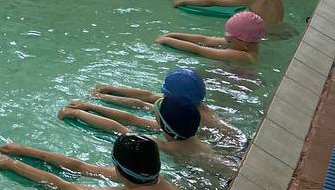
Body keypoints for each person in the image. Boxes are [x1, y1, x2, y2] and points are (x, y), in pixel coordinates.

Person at [0, 136, 193, 190]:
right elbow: (80, 167)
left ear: (119, 168)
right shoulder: (149, 177)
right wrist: (24, 150)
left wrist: (11, 164)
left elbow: (63, 185)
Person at [57, 94, 213, 163]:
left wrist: (77, 113)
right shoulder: (187, 131)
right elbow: (131, 119)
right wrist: (91, 105)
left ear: (164, 125)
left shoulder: (168, 147)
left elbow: (120, 129)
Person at [90, 67, 226, 130]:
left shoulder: (189, 120)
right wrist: (111, 89)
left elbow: (134, 120)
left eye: (165, 94)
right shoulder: (193, 102)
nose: (162, 96)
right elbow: (149, 96)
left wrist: (99, 100)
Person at [155, 10, 266, 65]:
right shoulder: (243, 43)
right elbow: (205, 40)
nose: (227, 41)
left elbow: (199, 50)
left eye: (229, 40)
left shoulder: (242, 56)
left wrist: (167, 40)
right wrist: (172, 35)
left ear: (244, 42)